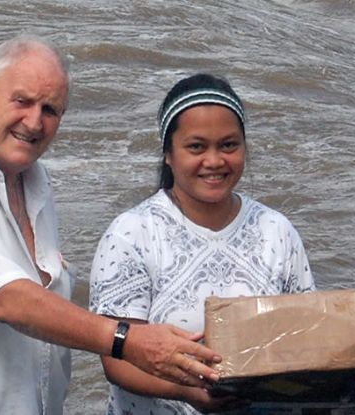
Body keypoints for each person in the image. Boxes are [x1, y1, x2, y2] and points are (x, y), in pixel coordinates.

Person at [0, 36, 222, 414]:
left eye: (50, 109)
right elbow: (6, 300)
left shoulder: (35, 180)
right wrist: (126, 340)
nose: (34, 122)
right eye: (22, 101)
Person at [89, 73, 316, 414]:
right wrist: (191, 394)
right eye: (196, 147)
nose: (214, 161)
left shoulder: (276, 231)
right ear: (168, 154)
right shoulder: (132, 233)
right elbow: (117, 360)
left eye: (229, 145)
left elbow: (311, 335)